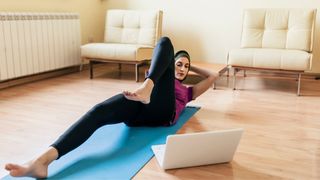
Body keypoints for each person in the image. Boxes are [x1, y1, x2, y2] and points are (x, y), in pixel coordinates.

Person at [4, 37, 218, 178]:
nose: (182, 69)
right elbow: (163, 61)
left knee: (165, 41)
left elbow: (213, 76)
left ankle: (147, 88)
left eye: (186, 67)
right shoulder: (161, 72)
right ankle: (42, 161)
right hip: (141, 105)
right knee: (98, 112)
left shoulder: (188, 92)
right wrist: (169, 64)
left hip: (161, 112)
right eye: (178, 64)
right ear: (169, 65)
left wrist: (187, 62)